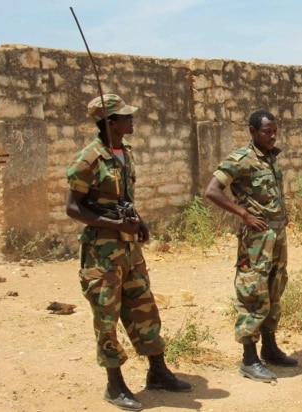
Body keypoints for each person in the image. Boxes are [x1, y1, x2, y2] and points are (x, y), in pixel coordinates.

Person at [66, 94, 191, 411]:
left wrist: (140, 222)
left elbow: (125, 199)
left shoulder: (125, 155)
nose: (131, 119)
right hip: (102, 252)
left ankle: (158, 372)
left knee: (144, 306)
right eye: (125, 116)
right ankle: (114, 383)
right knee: (106, 315)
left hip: (130, 248)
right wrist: (111, 221)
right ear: (109, 122)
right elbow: (73, 208)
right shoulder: (88, 161)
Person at [205, 109, 296, 383]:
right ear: (252, 131)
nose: (272, 135)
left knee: (274, 289)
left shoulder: (271, 157)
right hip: (256, 240)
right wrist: (243, 214)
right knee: (253, 293)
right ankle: (249, 358)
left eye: (275, 131)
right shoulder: (241, 159)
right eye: (267, 131)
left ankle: (270, 348)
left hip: (276, 237)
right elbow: (212, 190)